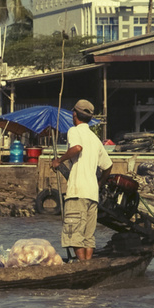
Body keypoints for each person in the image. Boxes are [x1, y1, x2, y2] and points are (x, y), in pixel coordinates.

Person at [50, 99, 113, 261]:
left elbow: (77, 148)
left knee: (74, 233)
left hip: (78, 191)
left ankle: (82, 265)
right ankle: (87, 264)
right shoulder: (95, 138)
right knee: (88, 235)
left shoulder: (74, 130)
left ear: (75, 114)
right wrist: (99, 184)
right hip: (92, 194)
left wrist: (59, 161)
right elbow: (108, 166)